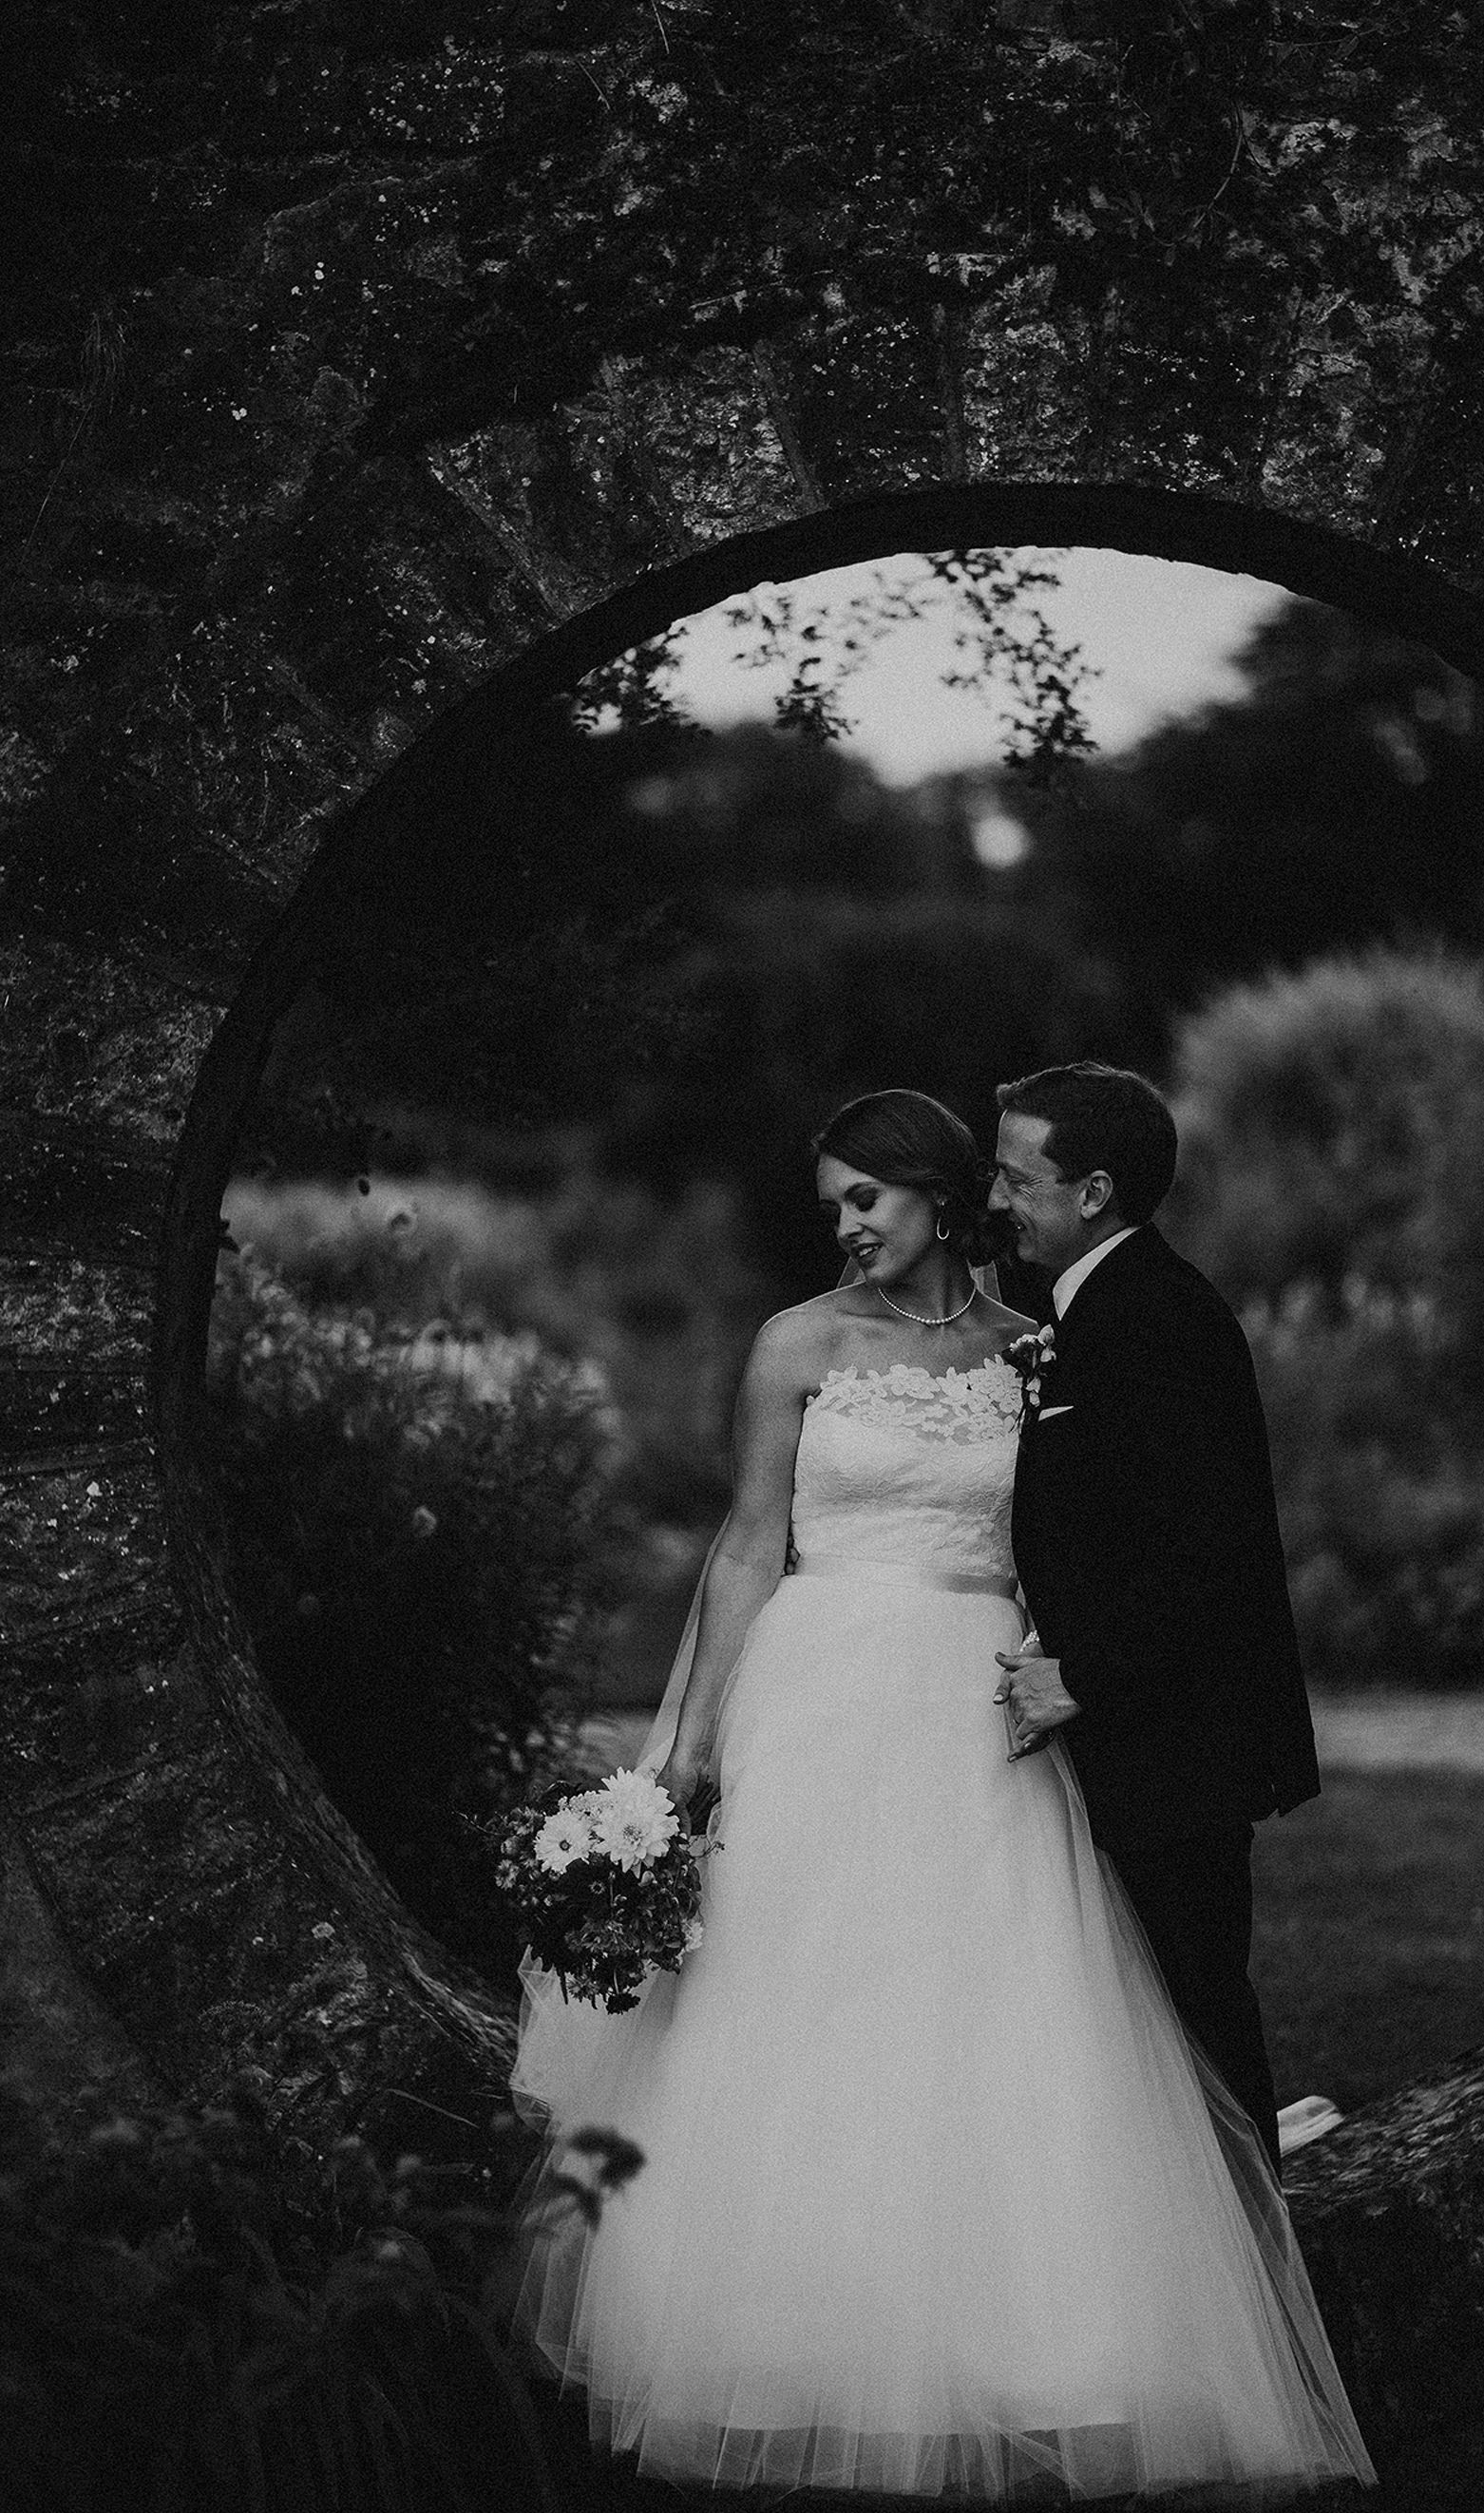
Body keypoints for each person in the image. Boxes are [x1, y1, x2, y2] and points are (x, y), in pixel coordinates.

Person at [504, 1088, 1374, 2502]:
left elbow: (1088, 1530)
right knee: (806, 2000)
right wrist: (696, 1742)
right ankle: (786, 2334)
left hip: (984, 1701)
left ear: (940, 1195)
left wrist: (1077, 1659)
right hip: (822, 1681)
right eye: (832, 1205)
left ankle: (1026, 2342)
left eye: (865, 1198)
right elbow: (742, 1546)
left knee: (999, 2007)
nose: (844, 1228)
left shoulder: (1038, 1342)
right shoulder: (796, 1343)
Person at [990, 1061, 1320, 2176]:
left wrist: (1082, 1671)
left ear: (1092, 1193)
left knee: (1198, 2017)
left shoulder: (1165, 1319)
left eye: (1014, 1178)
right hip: (1141, 1731)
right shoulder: (1081, 1311)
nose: (996, 1201)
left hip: (1181, 1739)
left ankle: (1261, 2272)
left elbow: (1215, 1548)